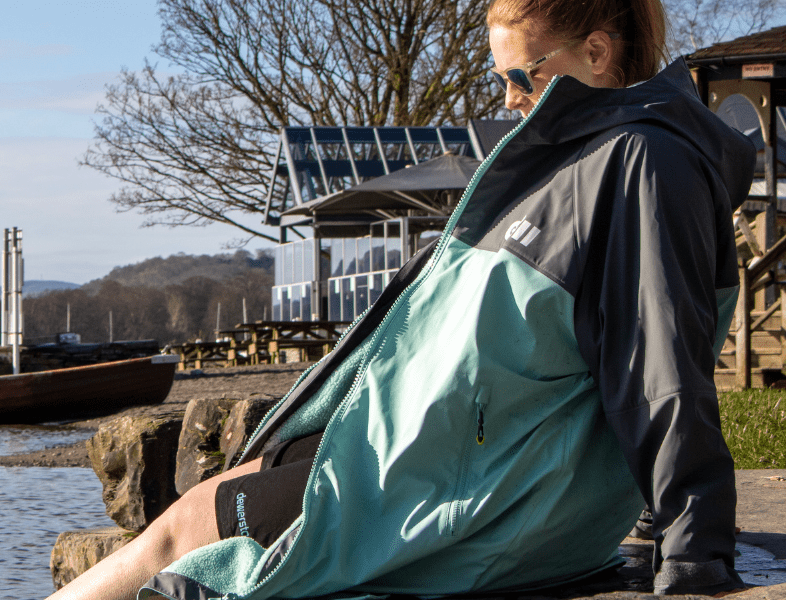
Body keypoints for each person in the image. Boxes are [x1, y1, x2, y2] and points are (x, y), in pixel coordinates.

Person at [49, 0, 756, 598]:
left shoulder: (641, 163)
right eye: (500, 78)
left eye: (521, 75)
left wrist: (694, 558)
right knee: (186, 520)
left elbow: (660, 367)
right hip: (411, 455)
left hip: (448, 488)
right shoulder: (569, 157)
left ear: (598, 53)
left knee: (180, 544)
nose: (507, 99)